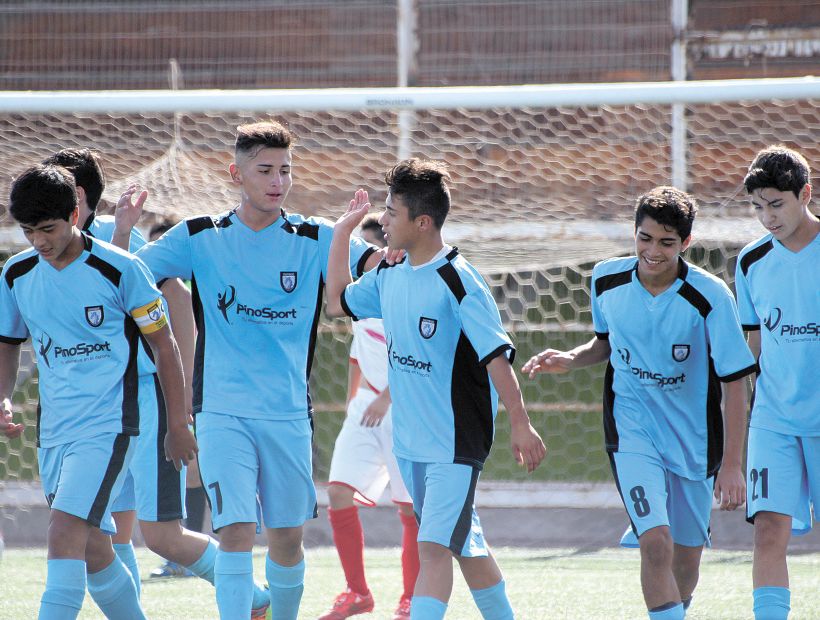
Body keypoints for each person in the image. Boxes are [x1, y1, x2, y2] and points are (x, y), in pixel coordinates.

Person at [115, 120, 385, 619]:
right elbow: (125, 275)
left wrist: (374, 248)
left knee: (286, 540)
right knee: (235, 532)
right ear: (235, 173)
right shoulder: (198, 236)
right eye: (264, 170)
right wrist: (124, 231)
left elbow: (379, 267)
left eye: (285, 170)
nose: (277, 180)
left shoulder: (318, 236)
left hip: (286, 414)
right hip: (221, 412)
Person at [39, 149, 267, 614]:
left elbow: (168, 306)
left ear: (76, 196)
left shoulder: (120, 243)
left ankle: (255, 596)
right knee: (101, 535)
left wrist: (179, 412)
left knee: (160, 535)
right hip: (94, 410)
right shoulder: (40, 256)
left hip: (144, 400)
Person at [325, 159, 547, 620]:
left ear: (421, 222)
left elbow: (496, 357)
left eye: (391, 211)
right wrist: (342, 232)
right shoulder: (390, 274)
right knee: (465, 544)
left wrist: (521, 424)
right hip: (411, 442)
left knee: (433, 550)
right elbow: (336, 301)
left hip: (455, 442)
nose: (382, 220)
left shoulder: (460, 281)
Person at [522, 186, 756, 620]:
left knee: (686, 559)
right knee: (654, 544)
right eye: (644, 238)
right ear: (634, 233)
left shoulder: (710, 297)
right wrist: (572, 359)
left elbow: (736, 383)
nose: (653, 251)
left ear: (686, 243)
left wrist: (731, 465)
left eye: (666, 242)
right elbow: (605, 343)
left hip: (694, 441)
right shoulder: (606, 280)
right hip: (632, 428)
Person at [0, 164, 197, 619]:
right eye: (29, 231)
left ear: (74, 214)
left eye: (47, 229)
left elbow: (165, 347)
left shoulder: (120, 268)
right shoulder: (17, 274)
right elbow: (7, 345)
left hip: (111, 425)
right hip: (54, 429)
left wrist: (177, 423)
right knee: (92, 547)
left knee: (63, 530)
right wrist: (4, 395)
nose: (39, 242)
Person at [735, 146, 820, 620]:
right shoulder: (749, 262)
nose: (767, 217)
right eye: (758, 207)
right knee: (768, 529)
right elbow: (753, 345)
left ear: (805, 193)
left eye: (777, 204)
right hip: (773, 419)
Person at [320, 215, 418, 620]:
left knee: (410, 509)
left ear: (388, 252)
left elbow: (425, 357)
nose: (362, 261)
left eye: (368, 251)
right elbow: (358, 353)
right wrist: (354, 401)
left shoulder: (409, 290)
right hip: (365, 408)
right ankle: (357, 593)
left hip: (406, 408)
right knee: (338, 492)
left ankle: (412, 599)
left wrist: (388, 397)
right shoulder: (362, 296)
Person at [146, 218, 209, 580]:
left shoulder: (178, 292)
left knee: (191, 471)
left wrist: (185, 398)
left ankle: (189, 553)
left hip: (180, 394)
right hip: (147, 395)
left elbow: (188, 346)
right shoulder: (142, 286)